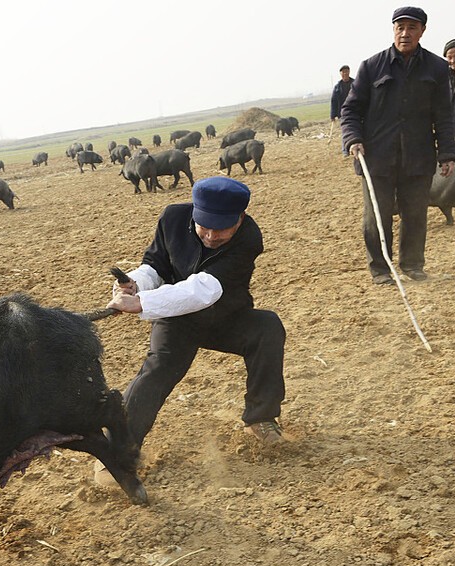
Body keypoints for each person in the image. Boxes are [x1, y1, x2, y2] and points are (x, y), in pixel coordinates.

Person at [98, 176, 288, 482]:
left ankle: (260, 419)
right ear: (194, 212)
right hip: (178, 320)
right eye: (204, 226)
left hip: (226, 317)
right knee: (157, 370)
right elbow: (155, 265)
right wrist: (137, 284)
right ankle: (116, 452)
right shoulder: (172, 217)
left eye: (221, 228)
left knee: (267, 328)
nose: (211, 236)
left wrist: (142, 303)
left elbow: (204, 290)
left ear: (240, 218)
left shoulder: (250, 237)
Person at [340, 6, 455, 287]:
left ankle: (412, 264)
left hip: (417, 155)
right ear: (393, 30)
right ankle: (381, 269)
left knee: (415, 213)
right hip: (376, 156)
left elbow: (443, 115)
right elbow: (351, 110)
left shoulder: (437, 68)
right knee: (376, 216)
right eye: (400, 27)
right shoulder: (371, 66)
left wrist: (447, 153)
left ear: (422, 31)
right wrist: (353, 139)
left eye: (412, 28)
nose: (405, 33)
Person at [330, 65, 354, 155]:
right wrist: (333, 115)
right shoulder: (337, 87)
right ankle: (345, 150)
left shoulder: (355, 83)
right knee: (345, 131)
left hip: (355, 110)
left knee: (357, 129)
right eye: (343, 72)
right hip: (343, 112)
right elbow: (334, 101)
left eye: (347, 71)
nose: (345, 73)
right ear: (341, 74)